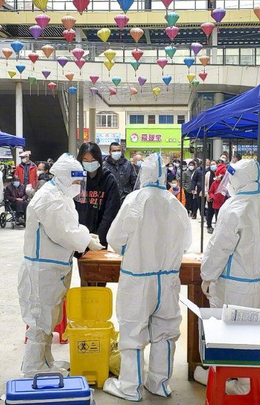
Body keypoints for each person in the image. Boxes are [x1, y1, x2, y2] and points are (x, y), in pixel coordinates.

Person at [103, 153, 193, 401]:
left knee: (133, 331)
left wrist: (132, 251)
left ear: (144, 173)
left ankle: (130, 387)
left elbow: (115, 239)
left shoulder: (135, 200)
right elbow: (186, 243)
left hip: (138, 278)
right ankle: (159, 383)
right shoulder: (175, 203)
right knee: (165, 332)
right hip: (168, 279)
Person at [18, 153, 102, 378]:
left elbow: (67, 227)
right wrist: (85, 239)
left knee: (49, 317)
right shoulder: (50, 199)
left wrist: (84, 235)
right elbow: (63, 232)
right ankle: (34, 367)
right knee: (41, 319)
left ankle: (46, 362)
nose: (77, 186)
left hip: (52, 267)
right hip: (42, 269)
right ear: (65, 177)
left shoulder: (59, 195)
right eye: (75, 181)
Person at [201, 159, 260, 309]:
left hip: (235, 286)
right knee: (257, 323)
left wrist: (208, 275)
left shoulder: (234, 208)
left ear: (239, 179)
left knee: (231, 324)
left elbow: (219, 247)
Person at [75, 142, 121, 247]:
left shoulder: (108, 179)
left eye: (93, 160)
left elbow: (111, 212)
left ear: (99, 160)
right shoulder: (77, 179)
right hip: (78, 236)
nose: (89, 163)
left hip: (100, 237)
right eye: (85, 160)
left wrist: (99, 237)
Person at [207, 163, 228, 234]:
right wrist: (213, 197)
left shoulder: (226, 184)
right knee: (217, 217)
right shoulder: (215, 183)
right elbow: (211, 192)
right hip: (216, 204)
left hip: (224, 203)